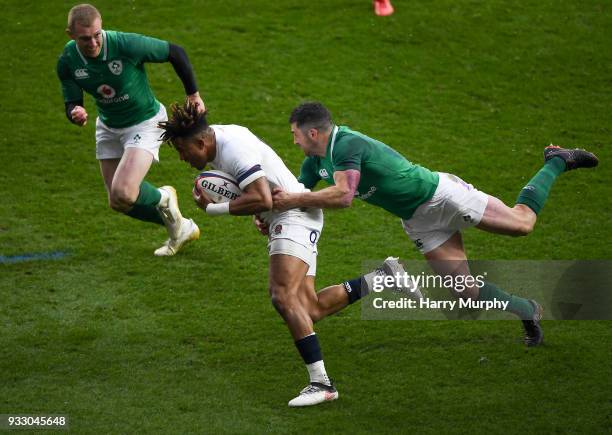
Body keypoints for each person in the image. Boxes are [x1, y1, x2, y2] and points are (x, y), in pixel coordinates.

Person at [272, 102, 600, 346]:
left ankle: (557, 160)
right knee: (465, 292)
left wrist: (294, 201)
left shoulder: (346, 144)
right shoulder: (314, 162)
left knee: (523, 223)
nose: (295, 142)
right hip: (419, 221)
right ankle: (527, 310)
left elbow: (344, 196)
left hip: (442, 197)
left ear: (312, 132)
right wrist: (274, 214)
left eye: (295, 135)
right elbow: (296, 194)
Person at [158, 102, 413, 407]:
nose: (184, 158)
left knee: (281, 295)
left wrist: (214, 209)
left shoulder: (233, 147)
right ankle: (385, 276)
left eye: (184, 151)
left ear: (201, 142)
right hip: (289, 214)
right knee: (311, 308)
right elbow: (259, 194)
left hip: (294, 216)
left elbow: (262, 196)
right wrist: (261, 212)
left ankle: (322, 383)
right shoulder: (220, 141)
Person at [56, 4, 202, 256]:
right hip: (108, 126)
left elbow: (176, 52)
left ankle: (164, 197)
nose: (93, 42)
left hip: (145, 122)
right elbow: (72, 101)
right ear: (70, 34)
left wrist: (193, 95)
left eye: (97, 35)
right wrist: (75, 113)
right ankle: (179, 226)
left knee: (124, 190)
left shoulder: (124, 44)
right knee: (119, 202)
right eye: (84, 38)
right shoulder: (67, 61)